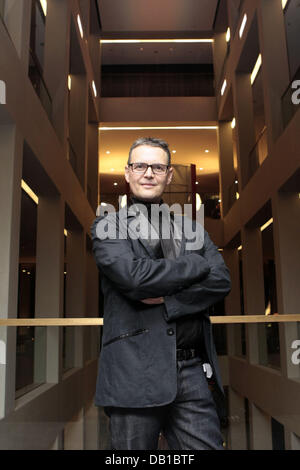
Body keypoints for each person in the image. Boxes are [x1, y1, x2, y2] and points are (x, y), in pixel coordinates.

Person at [91, 137, 231, 450]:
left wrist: (170, 302)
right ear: (127, 173)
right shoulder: (107, 226)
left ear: (168, 175)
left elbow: (221, 280)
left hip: (192, 371)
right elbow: (135, 278)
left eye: (157, 167)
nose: (148, 173)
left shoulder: (192, 228)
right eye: (140, 165)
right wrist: (196, 265)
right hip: (132, 372)